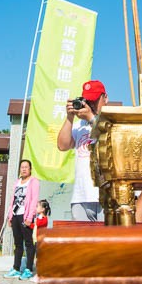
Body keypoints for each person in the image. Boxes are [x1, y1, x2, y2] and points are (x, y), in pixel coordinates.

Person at [57, 80, 107, 221]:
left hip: (106, 196)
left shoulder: (112, 120)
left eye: (94, 100)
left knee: (107, 242)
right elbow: (62, 145)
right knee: (82, 242)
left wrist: (91, 118)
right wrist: (70, 117)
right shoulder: (79, 125)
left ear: (105, 98)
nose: (90, 105)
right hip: (81, 195)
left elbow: (109, 137)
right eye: (88, 101)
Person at [4, 159, 40, 280]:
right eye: (22, 167)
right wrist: (10, 216)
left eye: (26, 167)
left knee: (29, 243)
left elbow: (34, 200)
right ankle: (16, 268)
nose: (24, 169)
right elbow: (12, 200)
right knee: (18, 244)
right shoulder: (17, 182)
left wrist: (30, 217)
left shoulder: (34, 182)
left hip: (26, 216)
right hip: (16, 215)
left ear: (30, 169)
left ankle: (29, 269)